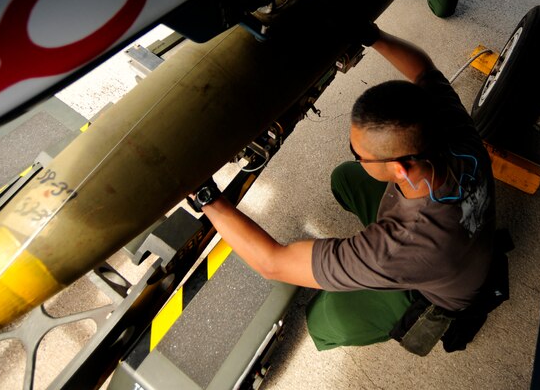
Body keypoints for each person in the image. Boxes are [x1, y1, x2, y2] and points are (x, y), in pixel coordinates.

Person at [189, 24, 496, 352]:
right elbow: (424, 69)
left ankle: (362, 317)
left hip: (436, 293)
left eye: (358, 153)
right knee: (346, 178)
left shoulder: (400, 248)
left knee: (324, 319)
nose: (356, 156)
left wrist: (207, 198)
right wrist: (373, 34)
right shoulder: (453, 131)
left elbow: (272, 263)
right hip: (458, 243)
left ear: (399, 168)